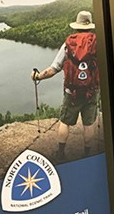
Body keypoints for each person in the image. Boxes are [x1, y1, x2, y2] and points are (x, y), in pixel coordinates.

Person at [31, 10, 100, 161]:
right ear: (90, 25)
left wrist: (38, 76)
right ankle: (87, 155)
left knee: (65, 122)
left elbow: (54, 68)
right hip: (91, 90)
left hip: (72, 91)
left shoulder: (68, 44)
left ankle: (61, 153)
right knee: (89, 124)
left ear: (76, 26)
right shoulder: (97, 42)